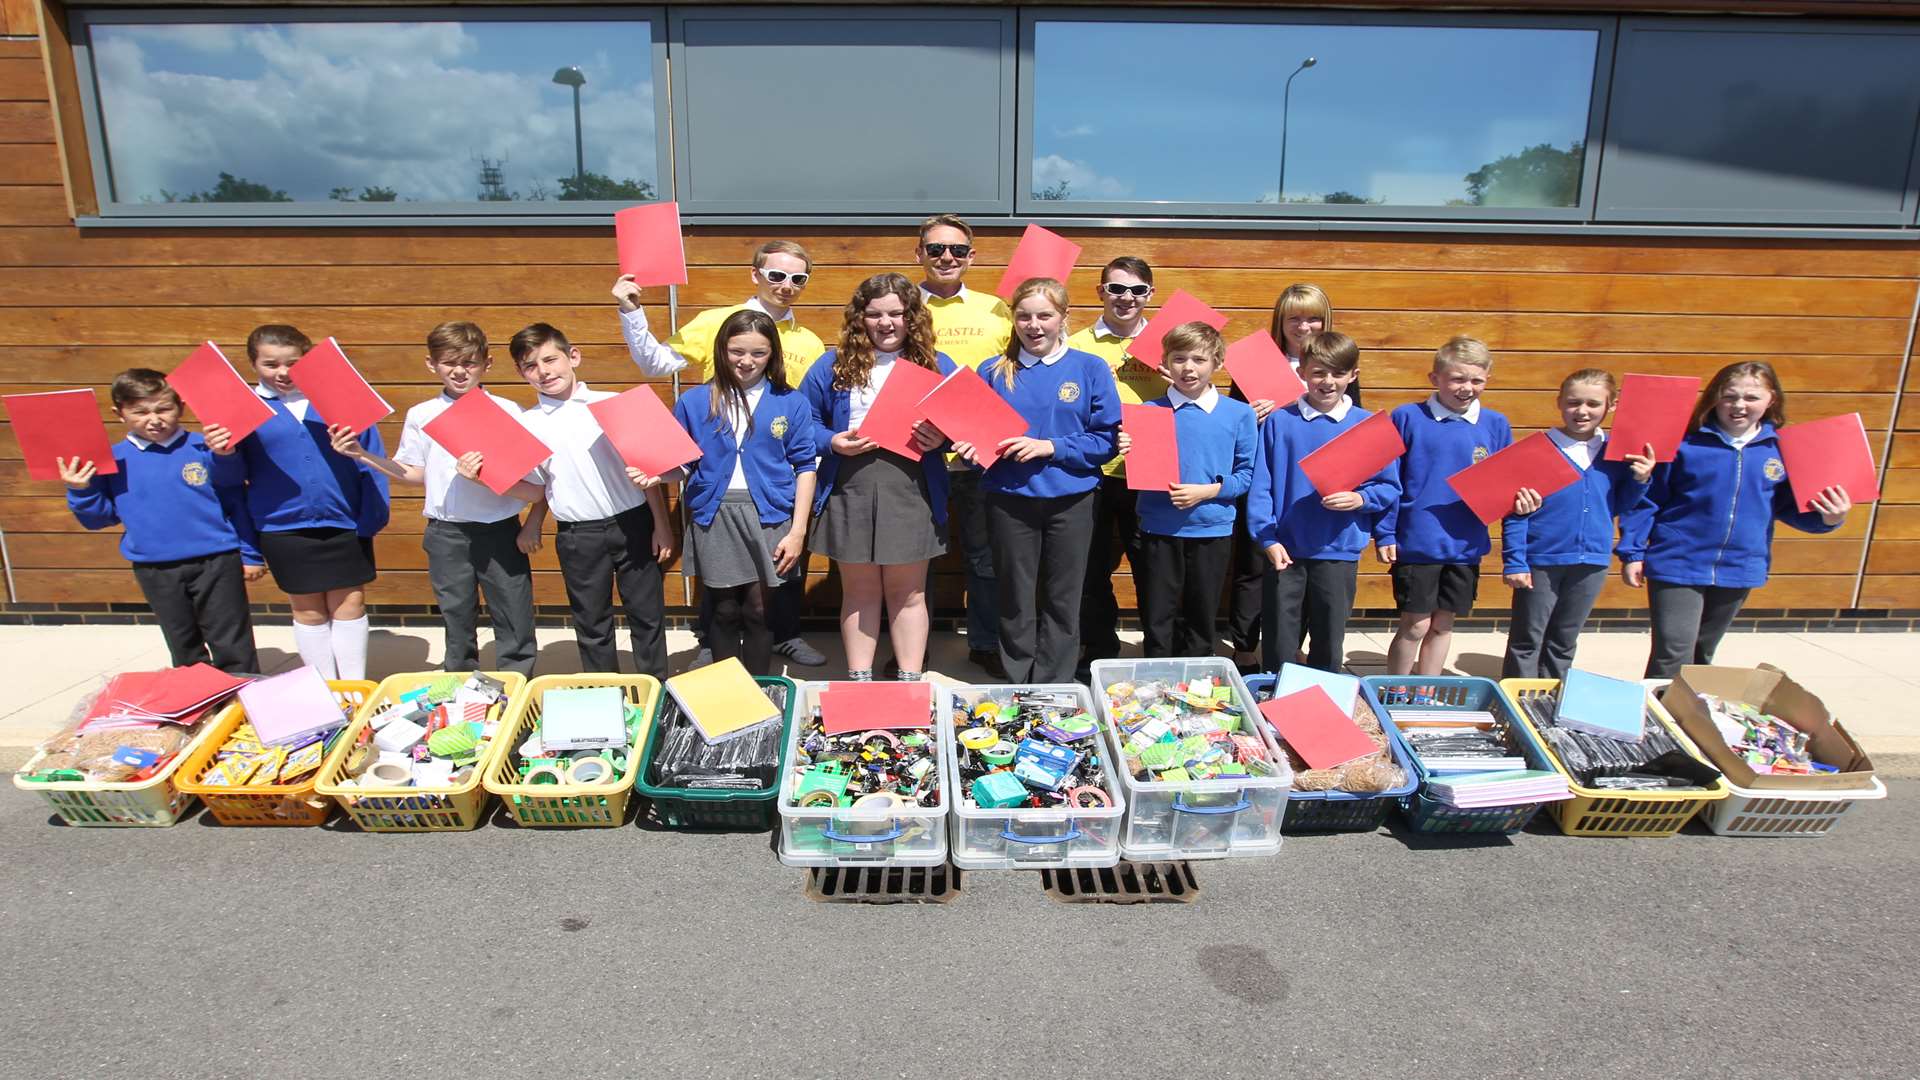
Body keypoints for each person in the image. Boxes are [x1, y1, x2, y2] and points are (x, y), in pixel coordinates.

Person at [614, 239, 828, 669]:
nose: (786, 284)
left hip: (773, 499)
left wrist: (800, 525)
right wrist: (632, 312)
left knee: (762, 605)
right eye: (777, 275)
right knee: (725, 607)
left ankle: (770, 671)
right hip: (716, 505)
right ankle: (724, 679)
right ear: (756, 274)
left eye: (797, 278)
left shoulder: (810, 342)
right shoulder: (711, 342)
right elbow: (658, 371)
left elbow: (804, 445)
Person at [329, 322, 542, 678]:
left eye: (470, 363)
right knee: (456, 616)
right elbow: (414, 473)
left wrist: (488, 478)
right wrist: (361, 454)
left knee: (513, 614)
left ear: (487, 364)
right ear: (432, 364)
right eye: (448, 363)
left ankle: (518, 686)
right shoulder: (422, 414)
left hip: (499, 530)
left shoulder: (508, 412)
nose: (459, 371)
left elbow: (534, 486)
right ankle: (461, 688)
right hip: (446, 533)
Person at [1619, 361, 1850, 678]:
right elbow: (1647, 499)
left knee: (1702, 654)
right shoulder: (1683, 444)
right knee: (1672, 652)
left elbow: (1786, 507)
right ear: (1715, 397)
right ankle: (1657, 723)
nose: (1739, 405)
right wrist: (1633, 551)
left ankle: (1689, 720)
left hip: (1739, 566)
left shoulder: (1781, 450)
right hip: (1678, 562)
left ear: (1772, 400)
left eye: (1751, 397)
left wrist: (1829, 518)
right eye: (1730, 396)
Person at [947, 277, 1118, 683]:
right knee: (1014, 594)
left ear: (1064, 318)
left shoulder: (1089, 368)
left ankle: (1054, 682)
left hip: (1071, 500)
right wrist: (971, 453)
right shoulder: (992, 371)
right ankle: (1017, 676)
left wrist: (1050, 448)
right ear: (1013, 319)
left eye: (1045, 315)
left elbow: (1107, 440)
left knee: (1063, 596)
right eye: (1024, 315)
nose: (1034, 324)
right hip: (1010, 499)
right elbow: (976, 440)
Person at [206, 324, 389, 680]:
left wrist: (369, 519)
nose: (283, 372)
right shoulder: (242, 410)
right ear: (253, 364)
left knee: (350, 604)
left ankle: (354, 690)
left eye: (293, 362)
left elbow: (373, 459)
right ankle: (323, 691)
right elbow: (228, 481)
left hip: (344, 522)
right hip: (282, 527)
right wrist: (222, 453)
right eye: (271, 364)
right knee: (309, 612)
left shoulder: (337, 400)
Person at [799, 273, 955, 681]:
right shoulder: (832, 364)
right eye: (874, 314)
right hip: (850, 482)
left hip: (913, 484)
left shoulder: (938, 364)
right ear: (859, 318)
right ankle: (860, 680)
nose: (886, 323)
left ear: (913, 317)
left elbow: (962, 423)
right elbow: (803, 422)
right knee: (860, 590)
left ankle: (909, 681)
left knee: (910, 593)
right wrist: (832, 440)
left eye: (897, 313)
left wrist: (942, 437)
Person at [60, 368, 259, 674]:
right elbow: (98, 518)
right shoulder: (110, 460)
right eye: (140, 411)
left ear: (180, 406)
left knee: (232, 641)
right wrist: (79, 489)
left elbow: (235, 498)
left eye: (163, 408)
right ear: (119, 413)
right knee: (183, 644)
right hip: (155, 566)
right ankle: (200, 706)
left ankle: (244, 702)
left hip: (216, 560)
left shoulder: (205, 447)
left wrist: (250, 554)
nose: (154, 419)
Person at [512, 323, 673, 677]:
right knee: (592, 623)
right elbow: (537, 488)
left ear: (573, 357)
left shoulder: (614, 403)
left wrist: (661, 524)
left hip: (633, 523)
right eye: (531, 366)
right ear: (522, 374)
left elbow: (648, 470)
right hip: (577, 534)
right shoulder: (528, 424)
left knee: (647, 616)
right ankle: (607, 696)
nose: (544, 371)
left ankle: (656, 688)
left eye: (550, 359)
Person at [665, 310, 820, 675]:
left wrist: (797, 532)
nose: (746, 361)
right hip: (715, 514)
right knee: (723, 609)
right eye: (737, 351)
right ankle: (728, 693)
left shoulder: (790, 401)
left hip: (769, 515)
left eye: (758, 353)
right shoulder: (695, 401)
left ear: (772, 355)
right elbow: (681, 462)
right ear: (721, 350)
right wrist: (655, 475)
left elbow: (805, 467)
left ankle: (760, 689)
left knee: (759, 609)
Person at [1377, 336, 1538, 677]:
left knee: (1442, 625)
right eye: (1458, 379)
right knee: (1416, 625)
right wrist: (1385, 533)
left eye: (1476, 380)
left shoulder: (1496, 425)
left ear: (1488, 380)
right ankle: (1393, 689)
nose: (1467, 388)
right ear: (1435, 378)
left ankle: (1425, 691)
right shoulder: (1407, 417)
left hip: (1464, 546)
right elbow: (1389, 480)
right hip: (1416, 542)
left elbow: (1506, 486)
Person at [1246, 332, 1399, 674]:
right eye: (1318, 372)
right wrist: (1266, 537)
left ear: (1352, 376)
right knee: (1279, 639)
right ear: (1301, 372)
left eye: (1337, 373)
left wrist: (1361, 498)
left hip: (1338, 548)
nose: (1327, 382)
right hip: (1285, 550)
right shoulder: (1279, 422)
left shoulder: (1369, 426)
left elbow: (1389, 487)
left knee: (1329, 639)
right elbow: (1261, 487)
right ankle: (1275, 700)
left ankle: (1324, 702)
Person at [1500, 370, 1655, 681]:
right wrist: (1515, 560)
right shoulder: (1538, 450)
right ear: (1559, 402)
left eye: (1593, 404)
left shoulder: (1617, 454)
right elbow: (1516, 512)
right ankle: (1517, 699)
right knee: (1527, 638)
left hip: (1592, 560)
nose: (1582, 411)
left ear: (1611, 406)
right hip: (1541, 559)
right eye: (1573, 402)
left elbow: (1620, 505)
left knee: (1564, 639)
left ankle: (1550, 696)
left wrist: (1640, 479)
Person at [1113, 322, 1255, 658]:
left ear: (1217, 363)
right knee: (1157, 613)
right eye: (1179, 359)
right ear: (1165, 362)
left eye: (1198, 359)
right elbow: (1140, 468)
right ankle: (1156, 673)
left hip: (1211, 526)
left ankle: (1197, 681)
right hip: (1158, 526)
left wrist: (1207, 491)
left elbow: (1247, 474)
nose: (1188, 368)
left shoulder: (1239, 414)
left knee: (1201, 613)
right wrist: (1124, 447)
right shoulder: (1148, 413)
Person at [915, 214, 1013, 677]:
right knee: (913, 558)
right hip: (917, 451)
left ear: (971, 257)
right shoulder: (901, 304)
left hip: (981, 456)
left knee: (985, 558)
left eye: (956, 250)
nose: (946, 257)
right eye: (935, 249)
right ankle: (914, 648)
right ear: (920, 254)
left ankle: (986, 642)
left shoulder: (997, 309)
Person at [1226, 283, 1334, 670]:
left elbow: (1352, 420)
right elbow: (1231, 416)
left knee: (1302, 564)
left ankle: (1293, 642)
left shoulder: (1336, 363)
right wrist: (1250, 415)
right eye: (1294, 318)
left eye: (1312, 317)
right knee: (1253, 563)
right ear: (1280, 321)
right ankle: (1243, 644)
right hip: (1264, 471)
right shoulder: (1256, 362)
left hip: (1311, 481)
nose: (1304, 326)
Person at [1066, 255, 1161, 670]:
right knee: (1091, 567)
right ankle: (1100, 649)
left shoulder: (1167, 343)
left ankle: (1159, 651)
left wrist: (1174, 373)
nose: (1127, 298)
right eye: (1117, 288)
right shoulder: (1076, 344)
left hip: (1153, 468)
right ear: (1101, 291)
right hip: (1095, 471)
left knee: (1153, 568)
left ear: (1150, 295)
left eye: (1137, 290)